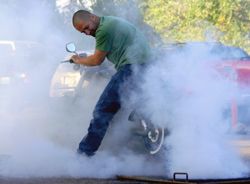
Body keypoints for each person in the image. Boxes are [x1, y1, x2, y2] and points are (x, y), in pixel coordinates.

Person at [70, 10, 150, 156]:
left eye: (87, 28)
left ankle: (83, 155)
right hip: (145, 66)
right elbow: (102, 54)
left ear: (93, 17)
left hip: (132, 68)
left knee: (102, 110)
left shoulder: (103, 30)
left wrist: (78, 60)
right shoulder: (110, 22)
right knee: (121, 108)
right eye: (83, 32)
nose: (87, 32)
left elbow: (96, 60)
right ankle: (121, 146)